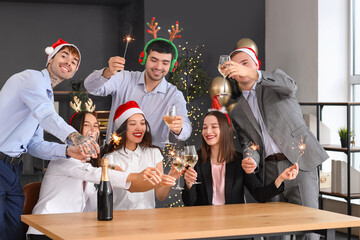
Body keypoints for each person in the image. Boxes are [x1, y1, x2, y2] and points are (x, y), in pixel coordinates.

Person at [224, 47, 329, 240]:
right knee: (275, 231)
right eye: (235, 65)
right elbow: (250, 144)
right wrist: (250, 159)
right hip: (270, 172)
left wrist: (253, 74)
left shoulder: (274, 82)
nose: (240, 68)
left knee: (309, 229)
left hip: (299, 162)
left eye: (245, 63)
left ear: (257, 64)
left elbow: (291, 86)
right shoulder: (237, 112)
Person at [0, 39, 100, 240]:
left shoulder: (45, 95)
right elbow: (47, 116)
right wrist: (75, 136)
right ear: (51, 58)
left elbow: (34, 144)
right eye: (64, 56)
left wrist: (67, 151)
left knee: (14, 230)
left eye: (74, 61)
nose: (69, 62)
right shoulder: (32, 79)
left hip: (11, 169)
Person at [26, 110, 164, 240]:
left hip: (70, 230)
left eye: (96, 126)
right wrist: (134, 176)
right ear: (74, 131)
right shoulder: (63, 157)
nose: (93, 129)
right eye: (87, 125)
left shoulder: (89, 165)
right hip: (45, 229)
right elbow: (94, 174)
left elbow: (92, 207)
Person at [182, 102, 299, 208]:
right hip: (204, 222)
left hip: (233, 222)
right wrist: (188, 184)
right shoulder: (194, 159)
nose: (208, 132)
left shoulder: (239, 161)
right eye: (204, 128)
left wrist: (281, 178)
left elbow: (260, 195)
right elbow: (190, 203)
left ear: (225, 130)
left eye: (214, 127)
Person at [84, 38, 192, 148]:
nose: (159, 67)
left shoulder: (174, 95)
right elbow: (90, 87)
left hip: (150, 160)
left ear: (172, 65)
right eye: (154, 60)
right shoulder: (124, 78)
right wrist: (107, 72)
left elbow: (186, 131)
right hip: (114, 154)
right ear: (144, 58)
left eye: (165, 63)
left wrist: (180, 129)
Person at [101, 101, 179, 210]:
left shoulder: (154, 153)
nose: (139, 128)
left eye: (142, 123)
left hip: (149, 219)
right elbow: (132, 186)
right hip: (121, 219)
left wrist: (171, 177)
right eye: (132, 124)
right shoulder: (110, 159)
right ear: (122, 128)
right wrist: (159, 181)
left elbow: (160, 196)